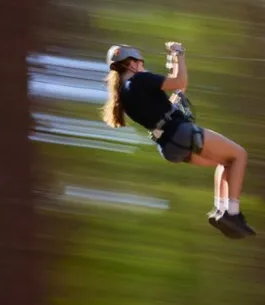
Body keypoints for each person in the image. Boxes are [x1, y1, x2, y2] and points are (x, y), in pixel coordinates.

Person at [101, 43, 255, 238]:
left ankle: (220, 211)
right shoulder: (140, 79)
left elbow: (173, 93)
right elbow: (180, 81)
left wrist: (174, 61)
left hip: (169, 147)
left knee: (226, 162)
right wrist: (180, 54)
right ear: (131, 64)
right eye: (141, 63)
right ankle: (232, 213)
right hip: (181, 132)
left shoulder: (124, 95)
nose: (142, 66)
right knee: (239, 155)